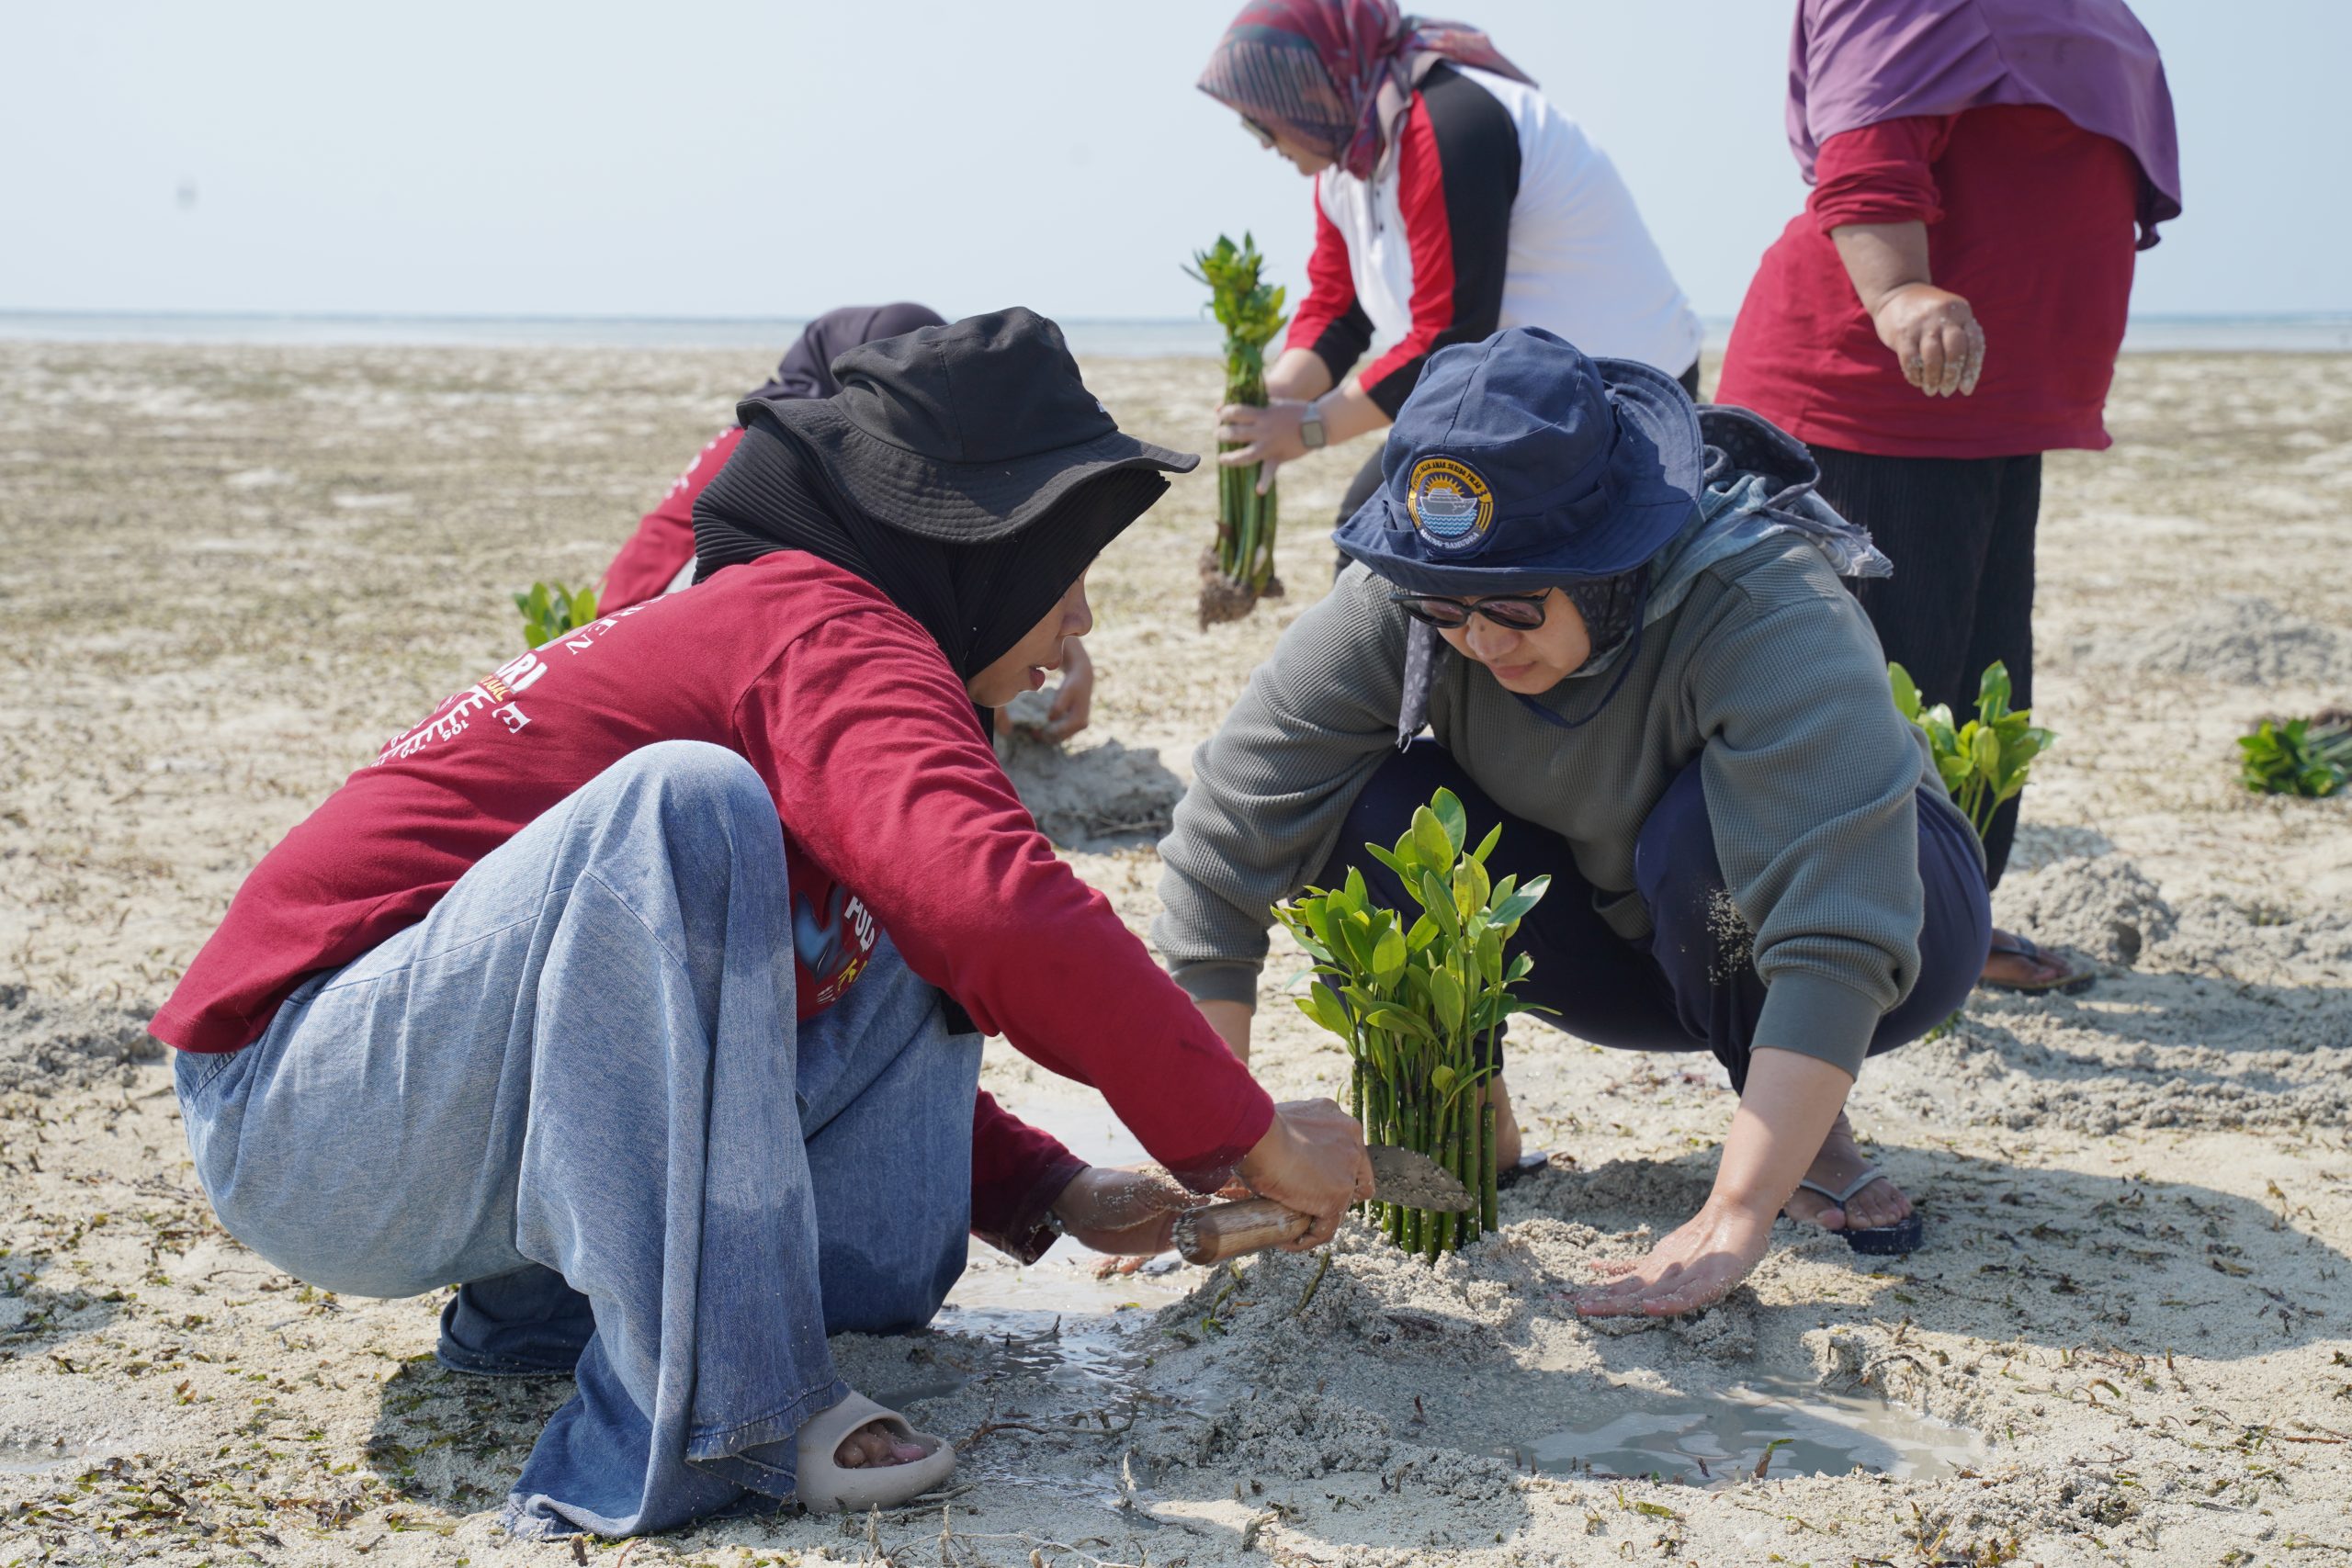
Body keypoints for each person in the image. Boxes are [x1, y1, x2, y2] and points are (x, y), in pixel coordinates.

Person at [149, 310, 1373, 1537]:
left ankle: (543, 1310)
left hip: (443, 1107)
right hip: (302, 1106)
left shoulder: (849, 637)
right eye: (1065, 565)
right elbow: (998, 908)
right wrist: (1242, 1132)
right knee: (688, 806)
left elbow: (900, 944)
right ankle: (722, 1412)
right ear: (978, 545)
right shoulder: (819, 619)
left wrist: (1058, 1187)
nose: (1082, 622)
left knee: (894, 1231)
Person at [1156, 326, 1990, 1317]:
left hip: (1866, 925)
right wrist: (1211, 1150)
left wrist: (1737, 1211)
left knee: (1699, 845)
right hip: (1619, 941)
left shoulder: (1760, 600)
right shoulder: (1415, 601)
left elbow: (1840, 925)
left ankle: (1808, 1143)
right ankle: (1467, 1124)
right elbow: (1224, 842)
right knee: (1365, 811)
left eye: (1508, 608)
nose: (1471, 638)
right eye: (1443, 608)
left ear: (1606, 559)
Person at [1715, 0, 2180, 993]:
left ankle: (1944, 926)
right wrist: (1899, 291)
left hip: (1986, 402)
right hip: (1873, 397)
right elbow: (1870, 128)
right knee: (1878, 684)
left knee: (1977, 680)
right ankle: (1841, 951)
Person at [1196, 0, 1703, 540]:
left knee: (1393, 531)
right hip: (1512, 390)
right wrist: (1273, 395)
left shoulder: (1449, 125)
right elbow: (1337, 310)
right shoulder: (1348, 151)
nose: (1264, 142)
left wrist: (1312, 428)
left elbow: (1453, 332)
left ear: (1316, 89)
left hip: (1618, 397)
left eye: (1261, 118)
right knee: (1374, 528)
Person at [598, 302, 1098, 741]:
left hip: (627, 633)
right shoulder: (783, 454)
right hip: (657, 628)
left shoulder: (778, 432)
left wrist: (1059, 648)